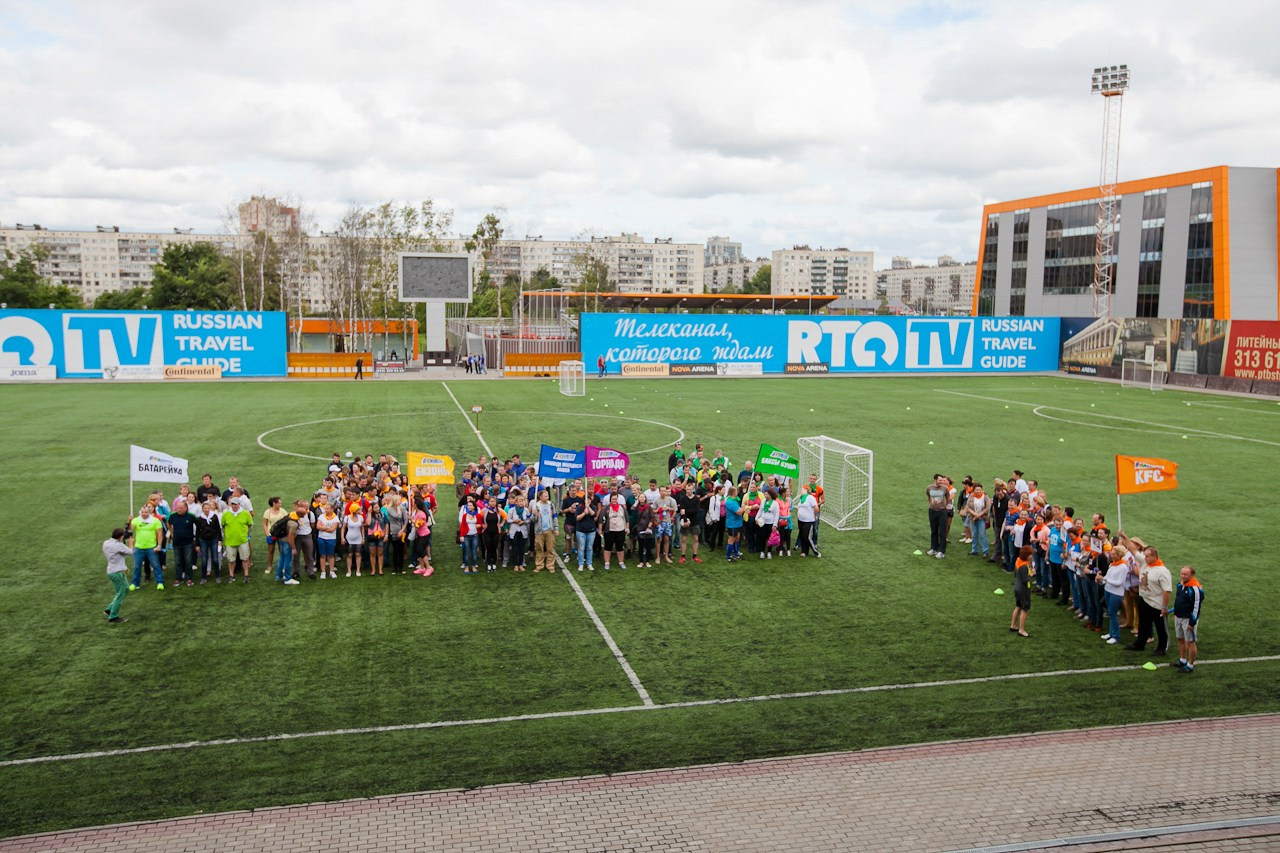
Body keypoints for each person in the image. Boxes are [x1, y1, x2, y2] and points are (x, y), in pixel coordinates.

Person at [1125, 542, 1172, 656]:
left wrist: (1164, 607)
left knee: (1160, 627)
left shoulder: (1163, 571)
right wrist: (1123, 536)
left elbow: (1167, 590)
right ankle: (1140, 644)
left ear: (1154, 556)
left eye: (1147, 556)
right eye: (1144, 556)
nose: (1144, 558)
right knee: (1143, 624)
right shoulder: (1146, 563)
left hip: (1157, 604)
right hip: (1144, 599)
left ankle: (1162, 648)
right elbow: (1133, 550)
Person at [1173, 565, 1204, 672]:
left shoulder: (1195, 589)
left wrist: (1192, 622)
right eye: (1182, 573)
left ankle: (1190, 665)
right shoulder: (1180, 585)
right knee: (1180, 639)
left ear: (1192, 575)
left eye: (1186, 574)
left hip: (1187, 619)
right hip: (1178, 616)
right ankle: (1182, 659)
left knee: (1190, 642)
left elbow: (1196, 607)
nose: (1183, 576)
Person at [128, 503, 165, 591]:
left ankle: (160, 582)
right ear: (140, 512)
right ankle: (135, 583)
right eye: (142, 512)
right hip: (138, 547)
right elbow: (130, 529)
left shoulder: (155, 520)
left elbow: (160, 534)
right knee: (137, 566)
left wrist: (159, 545)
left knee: (156, 565)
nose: (144, 514)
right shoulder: (136, 520)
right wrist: (129, 520)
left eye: (146, 512)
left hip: (151, 547)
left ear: (149, 512)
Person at [102, 527, 132, 623]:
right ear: (121, 537)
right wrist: (131, 544)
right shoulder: (119, 546)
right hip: (118, 573)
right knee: (120, 594)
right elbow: (131, 552)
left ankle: (109, 609)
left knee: (126, 589)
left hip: (111, 571)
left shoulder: (106, 543)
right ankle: (113, 616)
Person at [1100, 547, 1129, 645]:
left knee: (1113, 614)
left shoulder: (1123, 567)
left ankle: (1116, 636)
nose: (1110, 556)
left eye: (1113, 554)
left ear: (1119, 555)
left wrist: (1105, 580)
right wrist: (1101, 580)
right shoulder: (1112, 565)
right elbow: (1107, 577)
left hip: (1116, 593)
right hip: (1108, 590)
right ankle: (1111, 633)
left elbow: (1119, 583)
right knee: (1110, 613)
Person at [221, 497, 253, 582]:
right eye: (232, 504)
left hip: (243, 540)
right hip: (230, 541)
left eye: (235, 504)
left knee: (245, 559)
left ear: (239, 504)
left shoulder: (245, 513)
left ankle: (246, 575)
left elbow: (250, 524)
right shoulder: (226, 514)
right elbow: (223, 525)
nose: (234, 506)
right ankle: (231, 575)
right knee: (231, 560)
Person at [168, 499, 197, 586]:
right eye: (178, 508)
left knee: (188, 561)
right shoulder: (173, 516)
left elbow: (198, 524)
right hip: (176, 543)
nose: (179, 510)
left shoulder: (191, 516)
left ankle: (189, 578)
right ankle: (178, 578)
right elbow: (168, 523)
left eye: (181, 508)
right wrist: (171, 532)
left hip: (188, 542)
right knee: (178, 561)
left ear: (186, 508)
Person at [195, 500, 223, 583]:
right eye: (205, 508)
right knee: (204, 559)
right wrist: (197, 544)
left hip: (213, 539)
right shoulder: (200, 519)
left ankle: (218, 576)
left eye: (208, 508)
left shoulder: (214, 516)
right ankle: (203, 577)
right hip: (203, 540)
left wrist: (220, 540)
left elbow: (218, 529)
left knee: (215, 558)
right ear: (202, 509)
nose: (207, 509)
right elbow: (197, 531)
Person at [1010, 544, 1033, 638]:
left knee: (1018, 606)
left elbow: (1015, 574)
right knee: (1025, 608)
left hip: (1017, 587)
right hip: (1023, 589)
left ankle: (1013, 625)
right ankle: (1021, 629)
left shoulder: (1018, 561)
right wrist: (1032, 574)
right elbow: (1025, 579)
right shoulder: (1024, 566)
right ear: (1027, 555)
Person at [532, 489, 558, 573]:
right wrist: (535, 514)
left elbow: (554, 517)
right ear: (540, 497)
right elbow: (533, 520)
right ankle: (539, 565)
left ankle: (550, 565)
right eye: (545, 496)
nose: (547, 497)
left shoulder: (551, 505)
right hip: (539, 531)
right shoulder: (536, 506)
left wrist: (556, 528)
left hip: (549, 530)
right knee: (539, 548)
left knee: (550, 548)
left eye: (547, 496)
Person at [262, 497, 288, 577]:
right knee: (271, 550)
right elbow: (265, 524)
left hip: (281, 534)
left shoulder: (283, 511)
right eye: (279, 503)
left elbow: (287, 520)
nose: (281, 504)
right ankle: (269, 566)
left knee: (282, 550)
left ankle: (283, 565)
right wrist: (267, 533)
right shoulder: (267, 512)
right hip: (271, 534)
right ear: (274, 503)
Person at [603, 488, 628, 570]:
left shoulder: (622, 508)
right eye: (613, 499)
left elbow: (626, 519)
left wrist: (627, 528)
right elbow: (601, 519)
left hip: (620, 530)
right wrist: (601, 529)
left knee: (620, 548)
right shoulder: (606, 508)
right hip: (609, 531)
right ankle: (607, 563)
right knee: (608, 547)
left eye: (615, 499)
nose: (614, 500)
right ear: (610, 499)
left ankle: (621, 562)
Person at [963, 484, 990, 559]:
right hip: (972, 518)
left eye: (979, 489)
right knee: (974, 534)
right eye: (976, 490)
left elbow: (987, 508)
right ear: (974, 490)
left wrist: (979, 515)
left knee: (982, 534)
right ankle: (974, 550)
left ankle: (985, 551)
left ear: (982, 490)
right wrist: (975, 514)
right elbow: (967, 507)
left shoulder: (985, 497)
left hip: (982, 518)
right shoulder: (971, 496)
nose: (978, 491)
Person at [926, 474, 949, 559]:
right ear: (935, 480)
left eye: (942, 480)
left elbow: (948, 496)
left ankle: (941, 551)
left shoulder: (944, 488)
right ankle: (933, 548)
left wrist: (944, 505)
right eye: (940, 480)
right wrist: (931, 504)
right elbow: (928, 496)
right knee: (933, 530)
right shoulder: (929, 488)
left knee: (942, 531)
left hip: (942, 511)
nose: (942, 482)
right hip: (932, 511)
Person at [794, 484, 820, 558]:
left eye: (802, 489)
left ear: (806, 490)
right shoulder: (801, 498)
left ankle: (815, 551)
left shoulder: (810, 498)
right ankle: (804, 551)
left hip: (808, 520)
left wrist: (814, 515)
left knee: (807, 537)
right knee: (802, 535)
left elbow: (816, 508)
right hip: (801, 520)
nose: (800, 491)